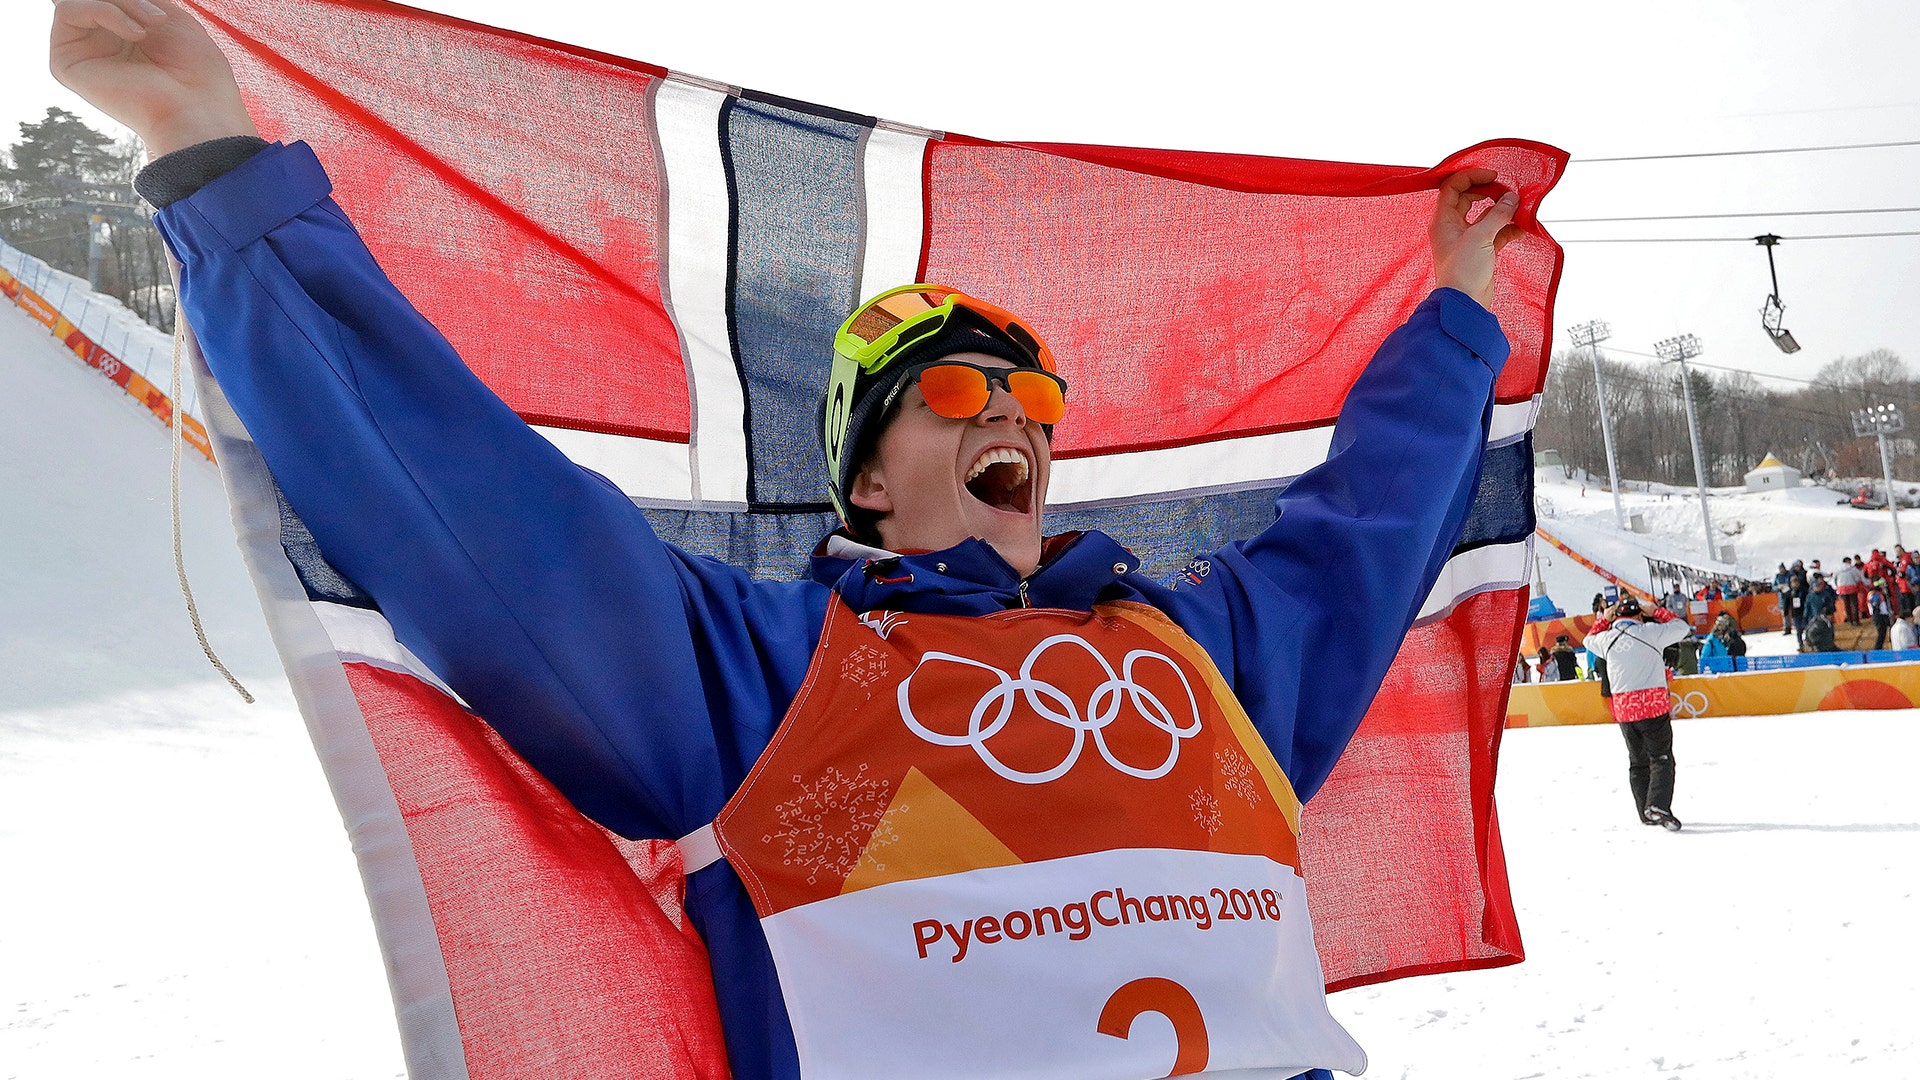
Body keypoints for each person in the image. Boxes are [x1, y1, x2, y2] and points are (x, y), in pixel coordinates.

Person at [49, 3, 1524, 1076]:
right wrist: (207, 155)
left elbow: (1370, 528)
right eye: (952, 393)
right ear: (865, 488)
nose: (1009, 413)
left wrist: (1457, 307)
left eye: (1033, 394)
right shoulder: (768, 679)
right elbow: (468, 502)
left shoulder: (1206, 666)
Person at [1583, 597, 1691, 831]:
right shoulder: (1651, 632)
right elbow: (1682, 628)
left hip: (1624, 708)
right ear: (1639, 616)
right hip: (1653, 705)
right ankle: (1658, 805)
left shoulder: (1605, 639)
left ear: (1617, 617)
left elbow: (1587, 639)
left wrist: (1604, 619)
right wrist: (1658, 611)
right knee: (1661, 758)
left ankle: (1645, 811)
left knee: (1638, 761)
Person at [1835, 556, 1865, 625]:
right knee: (1854, 604)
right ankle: (1856, 620)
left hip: (1842, 588)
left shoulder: (1838, 569)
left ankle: (1850, 621)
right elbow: (1857, 578)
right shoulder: (1852, 569)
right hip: (1851, 588)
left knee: (1846, 605)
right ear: (1848, 561)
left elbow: (1835, 579)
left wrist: (1838, 586)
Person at [1868, 584, 1894, 651]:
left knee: (1883, 632)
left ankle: (1879, 648)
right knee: (1881, 633)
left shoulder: (1878, 593)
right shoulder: (1874, 594)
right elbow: (1875, 606)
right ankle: (1877, 648)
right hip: (1879, 615)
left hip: (1881, 615)